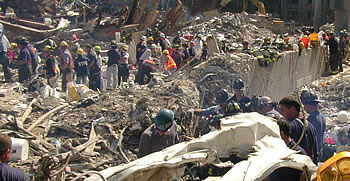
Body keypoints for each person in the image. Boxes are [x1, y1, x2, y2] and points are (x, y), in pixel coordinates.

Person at [279, 96, 319, 163]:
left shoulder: (291, 126)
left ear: (292, 109)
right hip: (310, 163)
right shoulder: (310, 125)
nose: (281, 113)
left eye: (283, 110)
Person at [301, 90, 326, 155]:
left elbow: (309, 138)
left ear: (309, 105)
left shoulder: (313, 119)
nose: (304, 108)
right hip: (319, 151)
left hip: (313, 152)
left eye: (305, 105)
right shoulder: (321, 116)